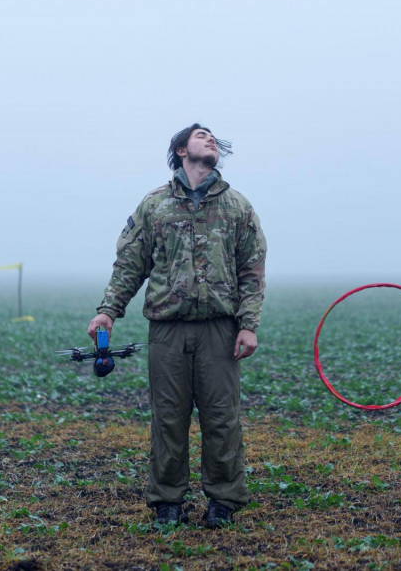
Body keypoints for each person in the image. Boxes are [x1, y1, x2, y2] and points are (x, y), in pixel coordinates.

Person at [87, 124, 267, 528]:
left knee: (222, 417)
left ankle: (223, 500)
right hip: (167, 330)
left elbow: (252, 270)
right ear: (182, 149)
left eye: (214, 138)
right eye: (202, 135)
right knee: (169, 418)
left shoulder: (238, 206)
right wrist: (107, 312)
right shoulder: (155, 205)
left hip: (220, 329)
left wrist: (248, 324)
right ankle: (167, 501)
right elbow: (130, 264)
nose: (211, 140)